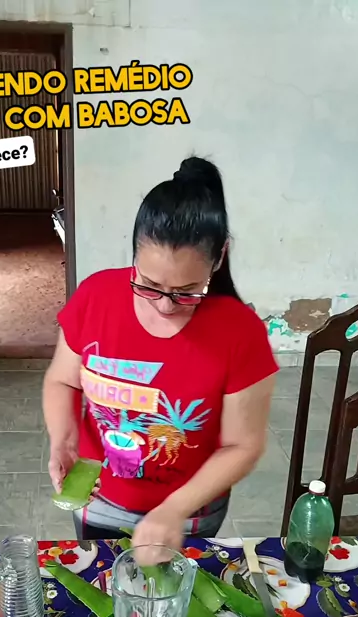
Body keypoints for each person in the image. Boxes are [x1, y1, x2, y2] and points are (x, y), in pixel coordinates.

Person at [43, 157, 278, 551]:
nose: (165, 305)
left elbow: (243, 445)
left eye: (187, 291)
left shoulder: (241, 333)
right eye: (149, 285)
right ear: (134, 255)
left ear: (219, 257)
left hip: (190, 512)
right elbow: (62, 380)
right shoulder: (96, 297)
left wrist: (173, 510)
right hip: (98, 498)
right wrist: (63, 440)